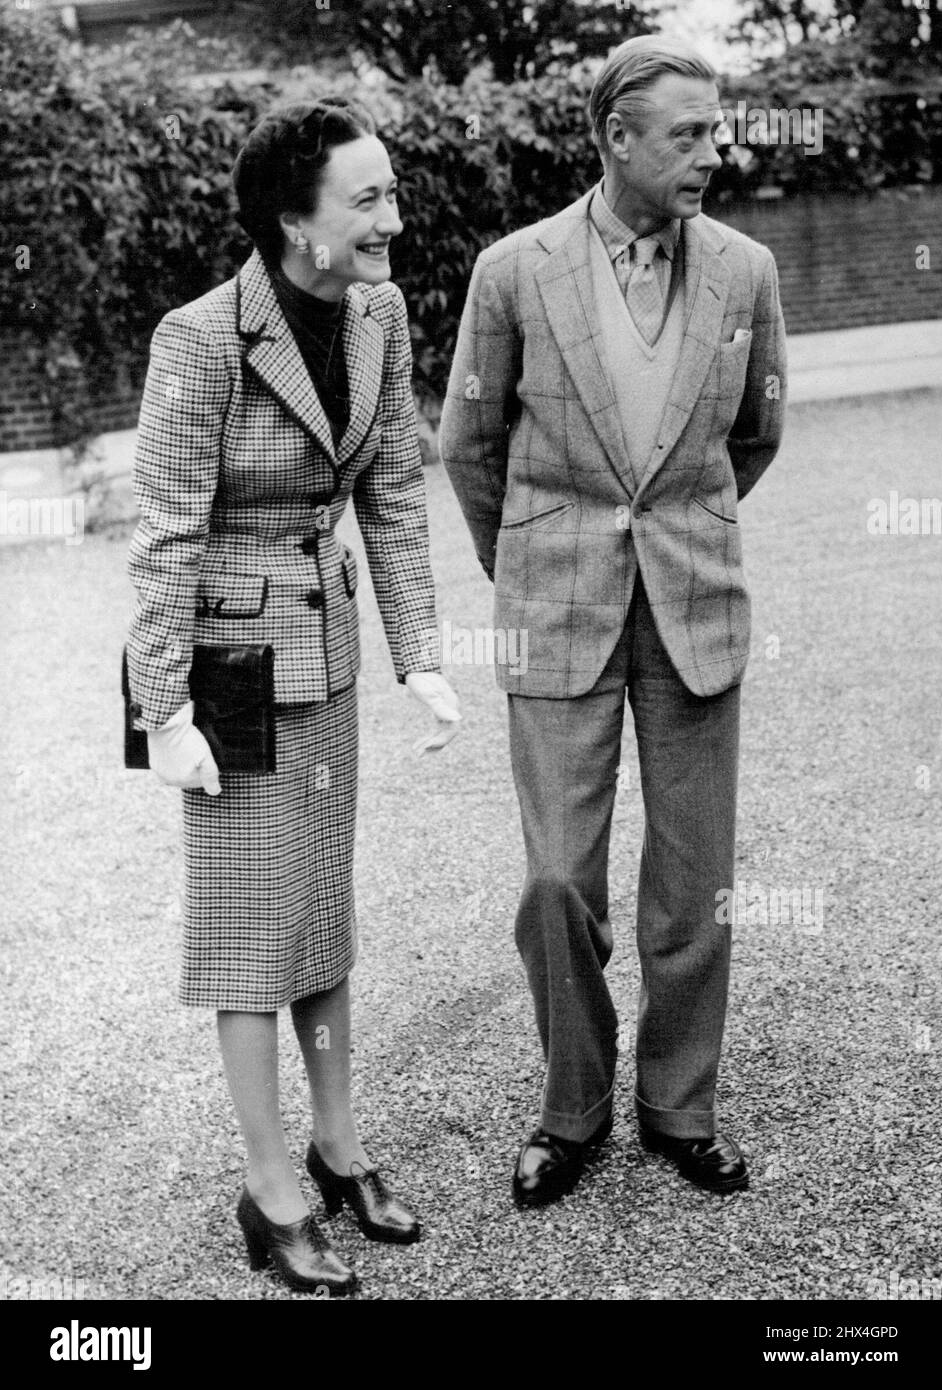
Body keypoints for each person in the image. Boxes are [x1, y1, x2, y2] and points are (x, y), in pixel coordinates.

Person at [440, 36, 786, 1208]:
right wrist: (533, 563)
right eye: (686, 135)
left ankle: (679, 1106)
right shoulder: (512, 271)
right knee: (556, 884)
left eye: (716, 130)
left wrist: (679, 530)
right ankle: (571, 1108)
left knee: (694, 884)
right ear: (615, 139)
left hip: (694, 607)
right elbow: (467, 447)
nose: (711, 154)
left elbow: (756, 436)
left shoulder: (745, 270)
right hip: (554, 613)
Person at [125, 98, 461, 1294]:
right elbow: (164, 535)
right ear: (293, 221)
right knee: (244, 940)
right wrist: (162, 712)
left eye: (390, 192)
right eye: (366, 199)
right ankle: (271, 1195)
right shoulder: (200, 339)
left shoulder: (379, 314)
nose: (393, 219)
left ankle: (338, 1145)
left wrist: (421, 649)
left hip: (329, 652)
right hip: (226, 673)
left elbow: (399, 496)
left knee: (322, 919)